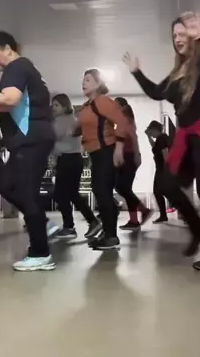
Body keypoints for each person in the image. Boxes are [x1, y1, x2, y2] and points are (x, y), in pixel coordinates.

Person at [123, 11, 200, 271]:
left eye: (182, 33)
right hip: (187, 136)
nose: (178, 38)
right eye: (175, 35)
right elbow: (156, 92)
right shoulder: (178, 71)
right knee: (167, 184)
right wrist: (136, 72)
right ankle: (197, 227)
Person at [0, 31, 56, 271]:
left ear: (7, 49)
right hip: (31, 139)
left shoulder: (17, 66)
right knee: (6, 185)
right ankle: (42, 223)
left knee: (24, 192)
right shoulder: (25, 68)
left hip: (30, 140)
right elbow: (18, 104)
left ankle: (40, 253)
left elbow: (11, 99)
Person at [78, 69, 134, 250]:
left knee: (102, 192)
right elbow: (85, 129)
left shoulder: (103, 101)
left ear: (98, 84)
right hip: (95, 153)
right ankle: (108, 233)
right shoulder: (87, 106)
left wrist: (119, 148)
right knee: (100, 192)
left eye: (88, 80)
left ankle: (111, 237)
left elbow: (122, 122)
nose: (83, 83)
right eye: (83, 80)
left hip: (106, 151)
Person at [50, 93, 101, 239]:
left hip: (69, 160)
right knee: (70, 194)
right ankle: (89, 222)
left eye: (57, 105)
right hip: (69, 160)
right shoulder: (66, 119)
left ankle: (71, 226)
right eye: (53, 105)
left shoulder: (64, 120)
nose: (53, 108)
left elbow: (50, 137)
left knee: (61, 194)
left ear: (65, 106)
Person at [113, 97, 154, 231]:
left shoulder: (126, 120)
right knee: (123, 188)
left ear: (122, 107)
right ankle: (135, 219)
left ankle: (142, 211)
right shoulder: (121, 121)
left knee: (123, 187)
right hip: (125, 157)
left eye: (116, 106)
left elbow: (134, 139)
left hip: (129, 157)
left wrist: (137, 156)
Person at [144, 120, 173, 223]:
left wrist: (167, 170)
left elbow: (165, 153)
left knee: (160, 191)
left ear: (154, 129)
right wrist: (148, 137)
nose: (151, 133)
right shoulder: (161, 139)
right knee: (160, 192)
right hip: (161, 169)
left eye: (151, 131)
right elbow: (155, 148)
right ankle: (164, 215)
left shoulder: (162, 138)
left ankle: (166, 214)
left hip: (163, 169)